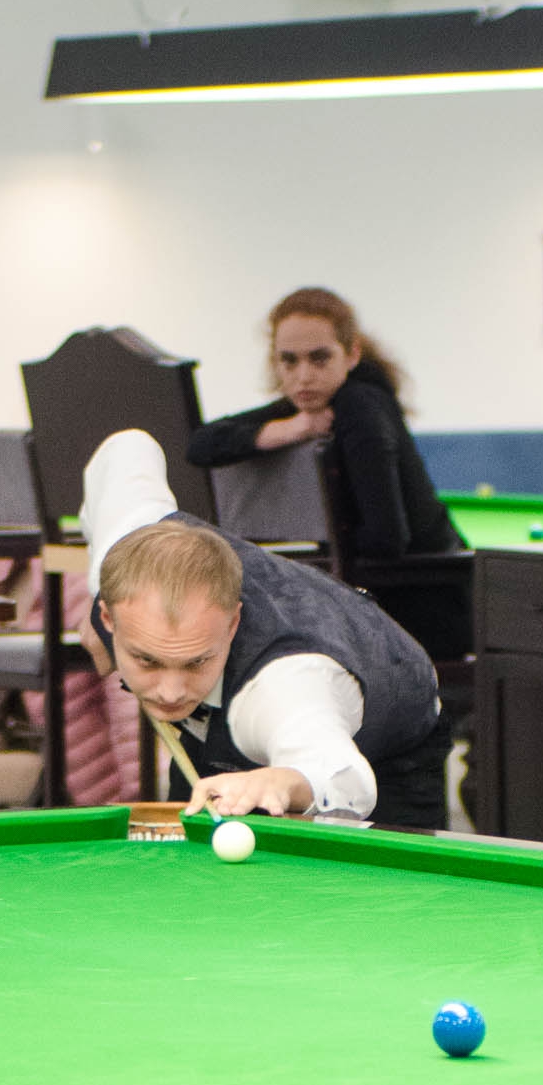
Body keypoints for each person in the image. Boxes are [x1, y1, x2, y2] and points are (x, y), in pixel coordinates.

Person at [80, 428, 446, 830]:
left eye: (195, 662)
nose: (170, 692)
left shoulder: (285, 686)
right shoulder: (127, 539)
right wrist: (95, 609)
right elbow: (128, 446)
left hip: (390, 746)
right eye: (147, 660)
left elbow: (347, 778)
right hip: (223, 727)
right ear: (110, 617)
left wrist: (278, 781)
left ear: (232, 624)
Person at [186, 286, 464, 573]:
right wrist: (291, 429)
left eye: (319, 358)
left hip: (430, 579)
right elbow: (200, 444)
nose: (304, 376)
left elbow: (386, 539)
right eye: (289, 360)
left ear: (352, 354)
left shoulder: (361, 405)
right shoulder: (305, 407)